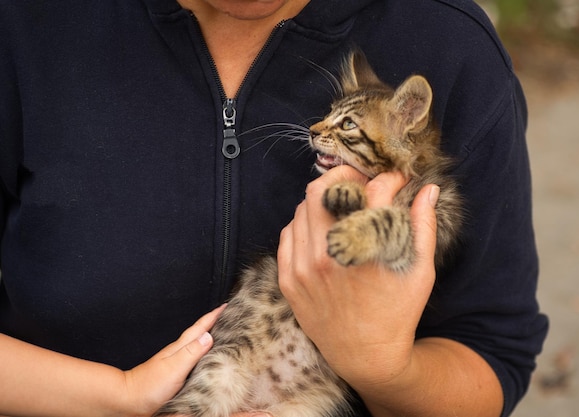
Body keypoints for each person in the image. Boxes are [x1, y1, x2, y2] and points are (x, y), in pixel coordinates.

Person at [0, 0, 548, 416]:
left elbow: (492, 347)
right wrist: (119, 396)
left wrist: (383, 368)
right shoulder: (28, 24)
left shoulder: (449, 43)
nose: (318, 134)